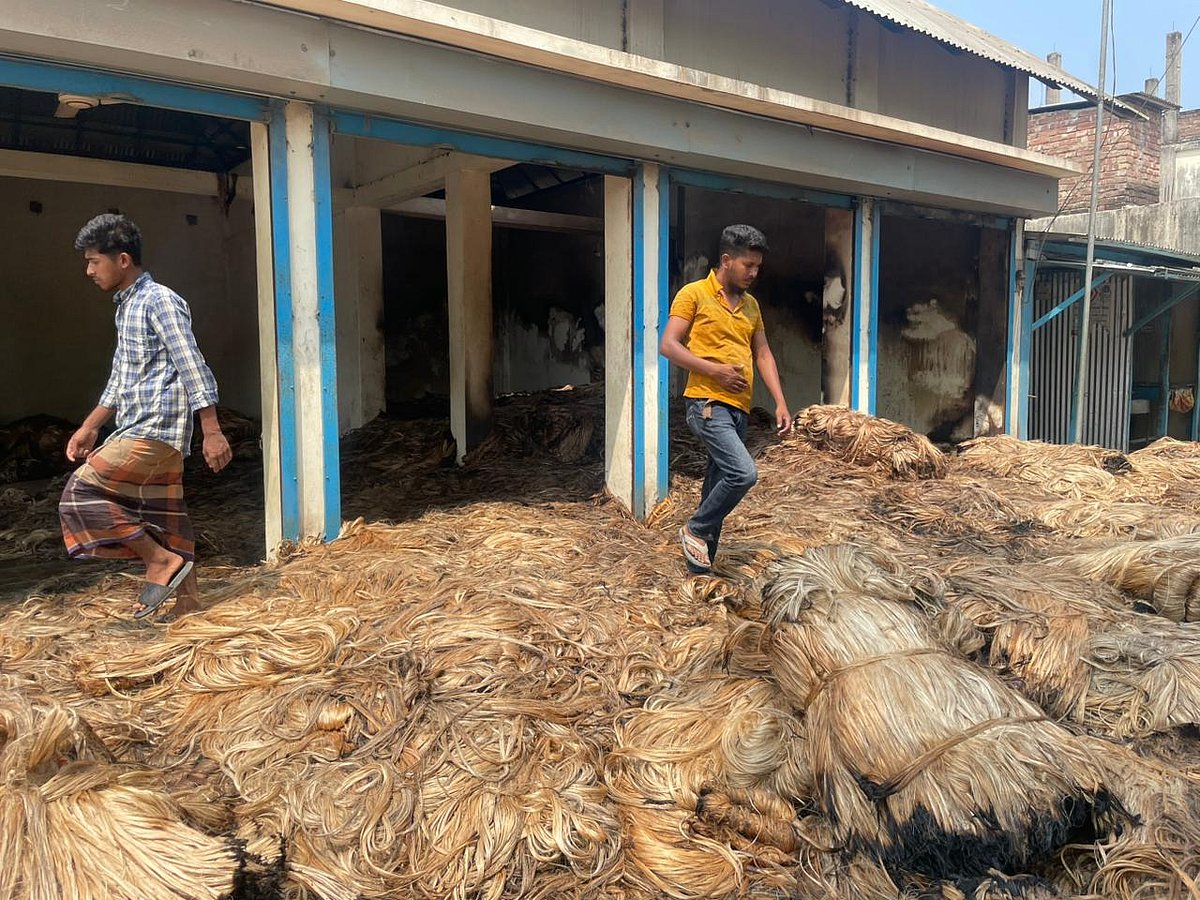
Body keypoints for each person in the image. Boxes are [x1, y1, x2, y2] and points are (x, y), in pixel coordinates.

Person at [58, 214, 232, 620]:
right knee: (167, 517)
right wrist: (89, 427)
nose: (88, 271)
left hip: (155, 428)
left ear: (122, 260)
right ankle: (188, 604)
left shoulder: (159, 300)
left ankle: (158, 561)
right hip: (142, 428)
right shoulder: (127, 308)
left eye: (94, 261)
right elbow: (120, 379)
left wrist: (211, 430)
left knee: (80, 495)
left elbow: (191, 363)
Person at [660, 224, 792, 573]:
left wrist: (780, 402)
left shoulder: (751, 306)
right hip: (706, 405)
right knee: (743, 473)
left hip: (738, 410)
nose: (754, 273)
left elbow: (763, 354)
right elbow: (668, 345)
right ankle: (694, 528)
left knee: (717, 488)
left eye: (758, 267)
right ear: (726, 260)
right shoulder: (694, 294)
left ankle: (700, 575)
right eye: (748, 265)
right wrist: (715, 371)